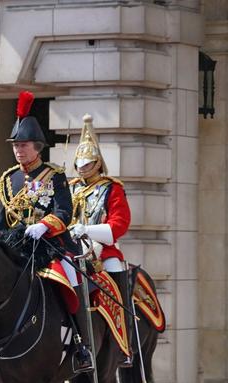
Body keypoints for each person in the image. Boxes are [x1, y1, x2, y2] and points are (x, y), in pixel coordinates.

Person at [0, 91, 93, 373]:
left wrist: (44, 225)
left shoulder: (54, 175)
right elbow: (2, 221)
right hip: (17, 247)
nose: (18, 150)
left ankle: (80, 344)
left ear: (37, 147)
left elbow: (65, 212)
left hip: (51, 246)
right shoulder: (8, 178)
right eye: (15, 145)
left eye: (23, 145)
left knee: (70, 278)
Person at [69, 113, 133, 366]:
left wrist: (87, 230)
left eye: (88, 163)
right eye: (80, 163)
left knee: (115, 278)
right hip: (72, 250)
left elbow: (119, 224)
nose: (83, 168)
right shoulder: (71, 187)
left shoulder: (112, 188)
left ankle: (123, 344)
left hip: (102, 252)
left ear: (97, 163)